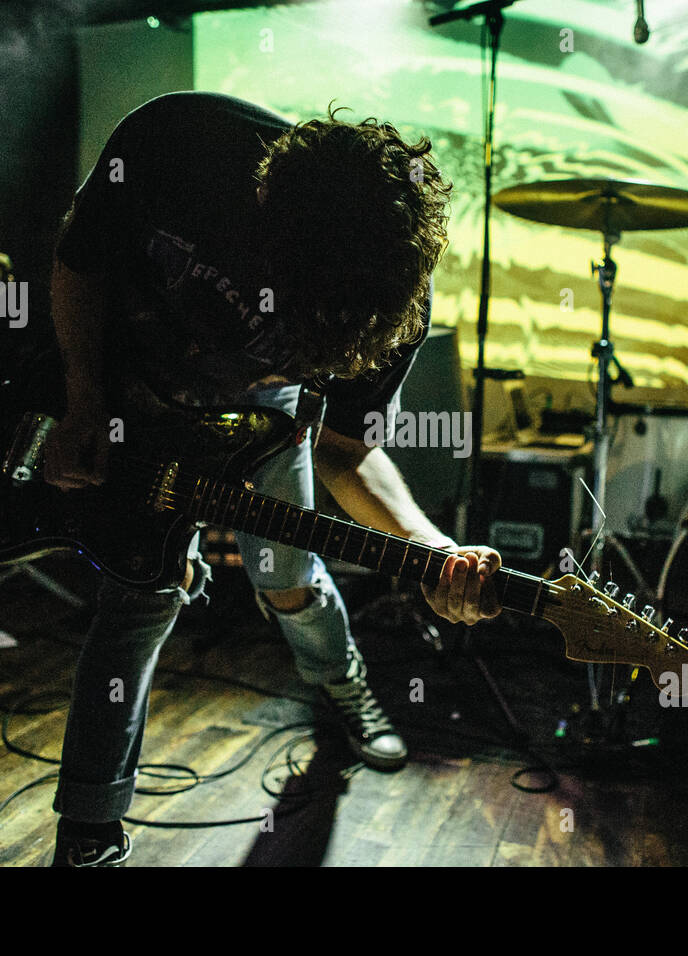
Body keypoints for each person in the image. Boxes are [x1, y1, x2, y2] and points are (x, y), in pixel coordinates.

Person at [42, 92, 500, 866]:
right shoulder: (178, 140)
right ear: (263, 209)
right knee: (139, 596)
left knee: (289, 579)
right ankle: (89, 831)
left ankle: (343, 688)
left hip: (263, 422)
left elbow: (346, 452)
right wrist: (84, 399)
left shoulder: (387, 300)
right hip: (127, 388)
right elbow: (77, 262)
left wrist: (428, 545)